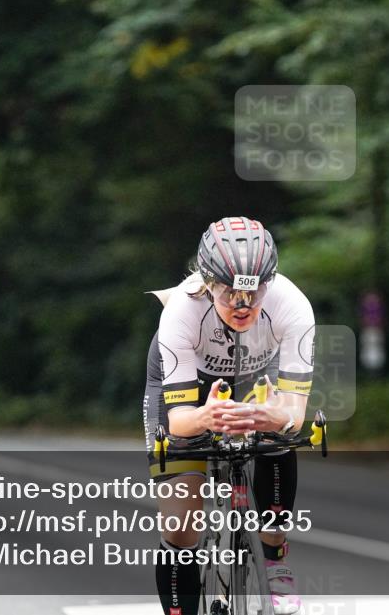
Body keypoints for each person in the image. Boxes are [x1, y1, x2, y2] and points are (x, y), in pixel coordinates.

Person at [143, 217, 314, 615]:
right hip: (189, 393)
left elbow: (295, 416)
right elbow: (181, 421)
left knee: (277, 436)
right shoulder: (182, 311)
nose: (243, 306)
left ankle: (274, 558)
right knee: (180, 527)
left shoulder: (292, 306)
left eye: (253, 295)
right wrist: (206, 417)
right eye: (229, 294)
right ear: (207, 282)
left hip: (257, 376)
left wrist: (275, 416)